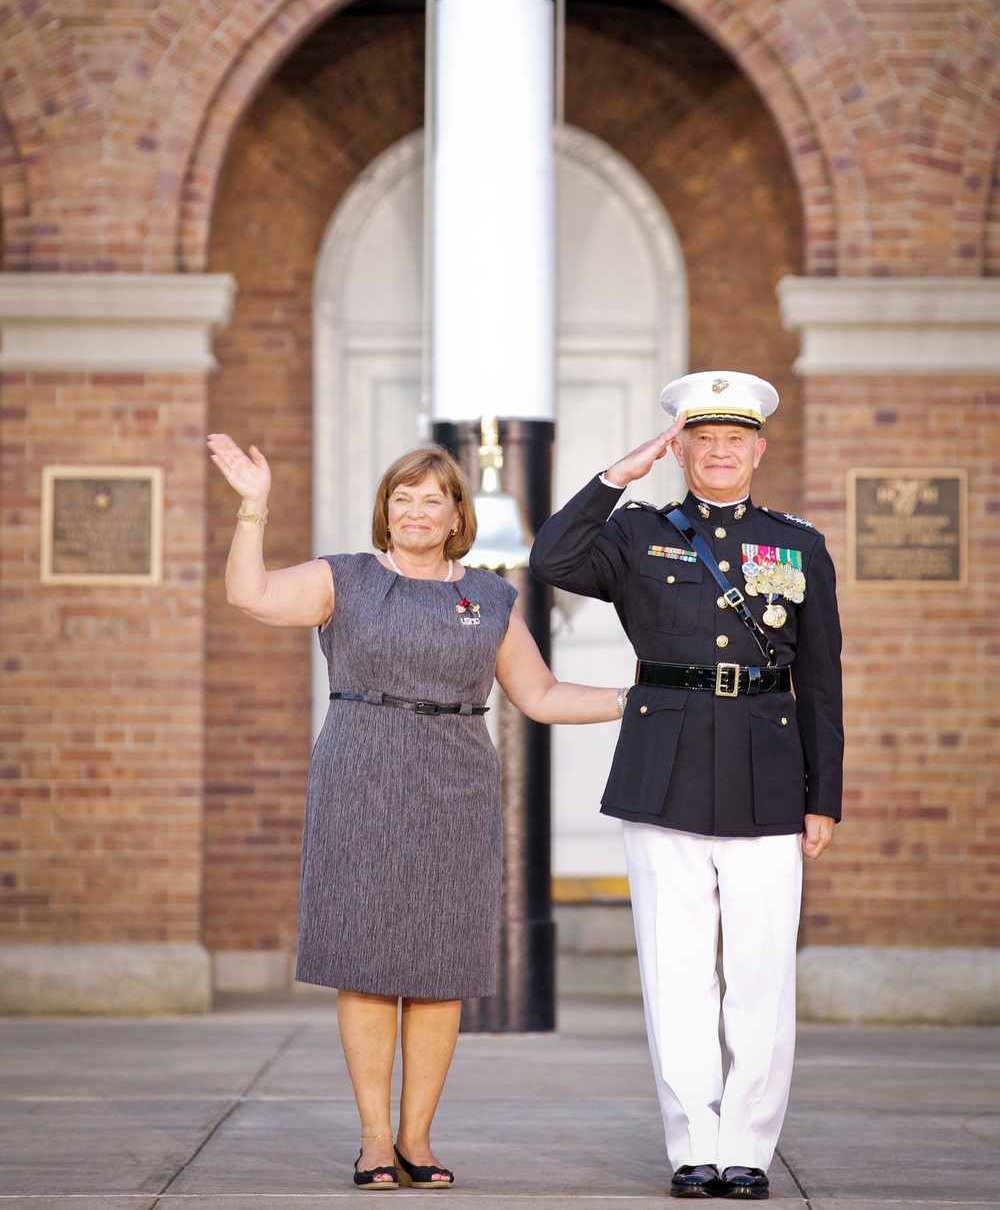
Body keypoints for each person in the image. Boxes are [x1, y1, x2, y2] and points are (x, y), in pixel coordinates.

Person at [207, 433, 626, 1192]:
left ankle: (418, 1139)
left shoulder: (491, 597)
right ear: (386, 510)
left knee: (439, 969)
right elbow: (250, 594)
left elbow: (540, 696)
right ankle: (373, 1141)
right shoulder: (347, 579)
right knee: (366, 963)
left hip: (456, 785)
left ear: (457, 513)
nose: (416, 510)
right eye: (402, 498)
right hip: (361, 775)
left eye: (432, 499)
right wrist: (253, 507)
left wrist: (640, 700)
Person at [529, 371, 843, 1202]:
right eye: (701, 438)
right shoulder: (637, 534)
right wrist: (615, 478)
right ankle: (693, 1147)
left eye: (734, 439)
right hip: (662, 768)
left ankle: (747, 1149)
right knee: (677, 975)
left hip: (770, 774)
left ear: (757, 450)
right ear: (681, 448)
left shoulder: (797, 543)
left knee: (761, 975)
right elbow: (552, 557)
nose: (719, 453)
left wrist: (824, 795)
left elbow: (821, 680)